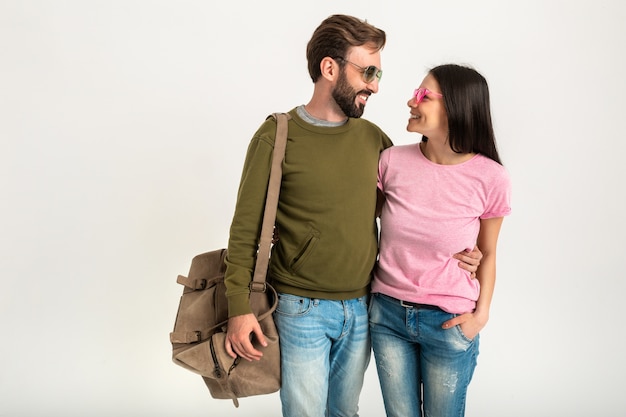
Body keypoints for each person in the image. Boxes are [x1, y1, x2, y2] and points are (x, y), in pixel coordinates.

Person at [222, 16, 482, 417]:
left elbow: (412, 214)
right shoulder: (277, 135)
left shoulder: (375, 141)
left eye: (378, 74)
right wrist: (239, 308)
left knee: (344, 412)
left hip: (363, 307)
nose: (375, 85)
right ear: (330, 69)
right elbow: (244, 232)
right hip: (298, 306)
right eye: (367, 72)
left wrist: (467, 250)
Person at [369, 63, 512, 417]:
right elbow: (352, 220)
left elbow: (489, 252)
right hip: (387, 317)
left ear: (457, 107)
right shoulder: (390, 161)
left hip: (449, 322)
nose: (410, 101)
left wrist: (481, 316)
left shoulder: (490, 177)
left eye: (423, 95)